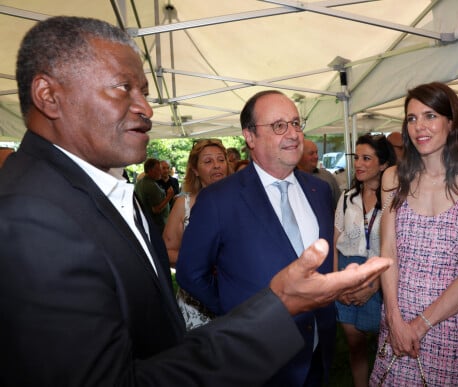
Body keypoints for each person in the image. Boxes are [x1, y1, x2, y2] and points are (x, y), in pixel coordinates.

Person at [0, 16, 393, 387]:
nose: (146, 108)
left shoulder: (100, 189)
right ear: (49, 96)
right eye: (123, 88)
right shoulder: (30, 215)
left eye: (144, 92)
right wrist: (270, 309)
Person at [176, 90, 337, 386]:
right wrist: (238, 312)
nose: (292, 134)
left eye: (296, 123)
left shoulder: (319, 190)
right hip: (257, 353)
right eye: (278, 126)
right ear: (250, 136)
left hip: (318, 344)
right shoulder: (218, 200)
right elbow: (191, 273)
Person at [369, 82, 458, 386]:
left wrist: (420, 325)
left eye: (430, 116)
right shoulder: (393, 177)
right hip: (397, 318)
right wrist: (395, 319)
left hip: (450, 323)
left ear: (451, 121)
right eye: (412, 119)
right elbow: (387, 253)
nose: (419, 127)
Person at [334, 133, 396, 387]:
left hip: (382, 275)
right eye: (356, 157)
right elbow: (335, 237)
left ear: (383, 164)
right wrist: (337, 283)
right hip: (348, 272)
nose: (358, 163)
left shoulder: (395, 199)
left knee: (385, 345)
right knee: (354, 342)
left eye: (366, 158)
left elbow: (396, 249)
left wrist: (374, 286)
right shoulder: (347, 198)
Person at [164, 138, 231, 330]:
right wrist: (205, 263)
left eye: (221, 159)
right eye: (208, 161)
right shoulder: (183, 204)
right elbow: (167, 251)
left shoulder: (241, 201)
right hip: (196, 302)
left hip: (236, 297)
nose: (217, 166)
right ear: (195, 169)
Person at [298, 138, 342, 206]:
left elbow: (339, 205)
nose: (316, 156)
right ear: (299, 156)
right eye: (311, 153)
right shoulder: (292, 179)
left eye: (316, 152)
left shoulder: (327, 176)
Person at [134, 157, 174, 231]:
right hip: (157, 226)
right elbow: (156, 209)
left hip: (147, 223)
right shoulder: (151, 185)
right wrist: (169, 197)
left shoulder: (139, 183)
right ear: (150, 170)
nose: (160, 172)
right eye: (158, 169)